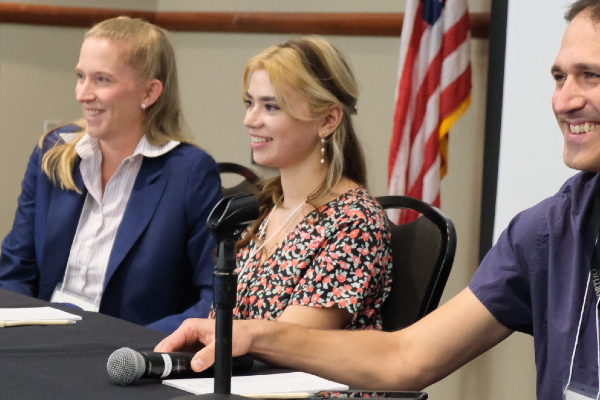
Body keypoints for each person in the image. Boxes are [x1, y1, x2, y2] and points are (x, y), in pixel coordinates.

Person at [156, 1, 600, 398]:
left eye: (591, 76)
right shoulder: (545, 231)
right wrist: (251, 334)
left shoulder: (351, 218)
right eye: (560, 77)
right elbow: (406, 357)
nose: (564, 100)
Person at [0, 17, 222, 334]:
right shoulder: (52, 153)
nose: (83, 94)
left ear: (149, 91)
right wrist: (24, 331)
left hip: (124, 353)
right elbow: (15, 270)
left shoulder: (190, 173)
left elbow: (215, 299)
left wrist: (136, 346)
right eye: (81, 77)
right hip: (38, 337)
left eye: (102, 80)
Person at [215, 36, 392, 330]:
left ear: (327, 120)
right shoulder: (261, 208)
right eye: (250, 103)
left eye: (271, 107)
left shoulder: (356, 222)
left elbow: (291, 341)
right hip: (235, 374)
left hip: (297, 376)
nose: (250, 120)